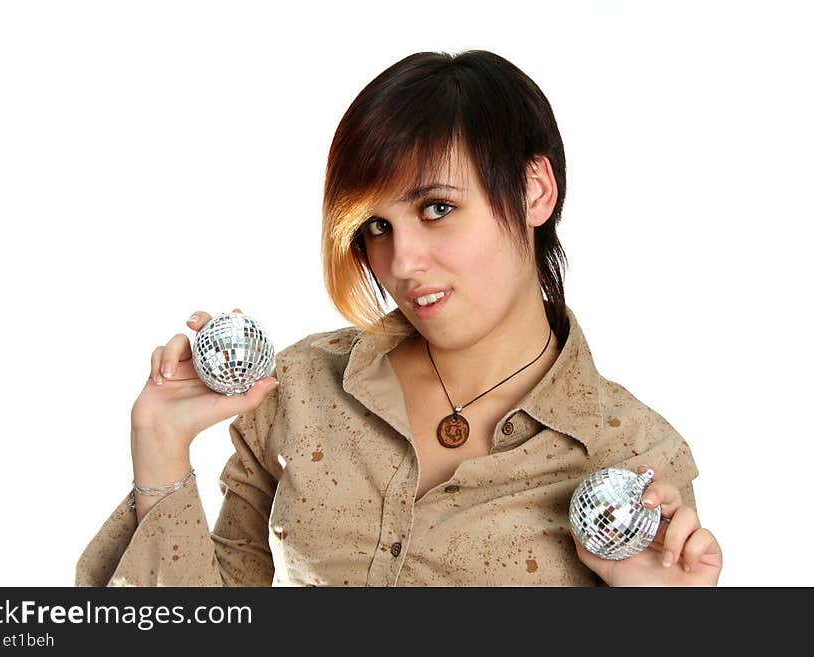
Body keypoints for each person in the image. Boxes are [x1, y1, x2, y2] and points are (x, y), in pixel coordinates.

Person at [76, 49, 721, 587]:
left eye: (437, 208)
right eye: (377, 226)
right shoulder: (299, 387)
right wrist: (161, 450)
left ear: (534, 191)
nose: (402, 261)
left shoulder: (634, 460)